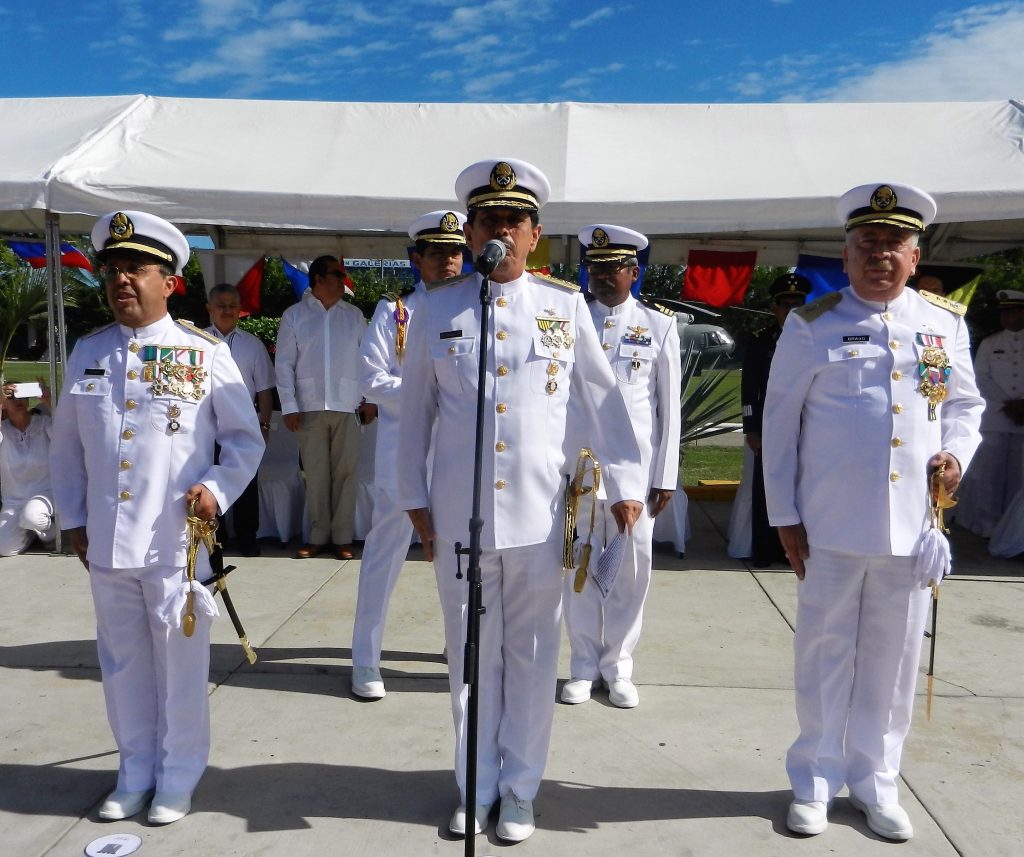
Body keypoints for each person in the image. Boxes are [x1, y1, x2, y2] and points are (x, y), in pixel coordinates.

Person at [397, 158, 644, 842]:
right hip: (459, 517)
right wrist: (413, 497)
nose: (501, 229)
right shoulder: (437, 308)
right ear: (471, 234)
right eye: (489, 219)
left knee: (534, 656)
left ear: (535, 234)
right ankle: (473, 785)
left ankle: (521, 787)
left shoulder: (564, 306)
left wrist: (625, 484)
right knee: (470, 658)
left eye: (514, 219)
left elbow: (604, 399)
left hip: (541, 520)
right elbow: (414, 412)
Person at [762, 183, 984, 841]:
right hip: (830, 522)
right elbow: (779, 426)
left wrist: (955, 456)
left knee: (892, 663)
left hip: (913, 525)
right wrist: (785, 514)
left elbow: (965, 407)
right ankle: (815, 778)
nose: (880, 254)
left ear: (915, 256)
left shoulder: (944, 322)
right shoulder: (812, 324)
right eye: (867, 244)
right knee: (824, 653)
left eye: (893, 244)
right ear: (846, 253)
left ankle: (876, 781)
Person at [50, 211, 264, 825]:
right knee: (121, 665)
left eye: (137, 269)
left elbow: (244, 441)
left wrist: (216, 491)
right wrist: (72, 519)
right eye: (113, 270)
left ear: (168, 281)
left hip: (177, 542)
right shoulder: (89, 353)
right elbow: (66, 446)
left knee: (178, 665)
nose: (122, 280)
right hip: (106, 542)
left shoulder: (202, 352)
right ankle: (135, 768)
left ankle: (177, 774)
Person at [560, 224, 681, 709]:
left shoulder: (659, 325)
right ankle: (582, 664)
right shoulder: (568, 320)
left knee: (632, 570)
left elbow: (668, 407)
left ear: (634, 272)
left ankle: (618, 665)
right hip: (580, 468)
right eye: (595, 268)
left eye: (613, 268)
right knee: (578, 566)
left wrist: (665, 475)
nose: (602, 277)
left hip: (634, 473)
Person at [350, 210, 467, 699]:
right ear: (417, 259)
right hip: (403, 454)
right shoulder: (394, 312)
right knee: (384, 556)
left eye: (455, 252)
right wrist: (430, 389)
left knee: (459, 558)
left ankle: (459, 650)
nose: (447, 261)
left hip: (458, 455)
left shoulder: (475, 310)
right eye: (436, 252)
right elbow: (370, 381)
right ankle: (365, 661)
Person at [275, 255, 370, 559]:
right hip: (308, 405)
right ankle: (317, 535)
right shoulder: (294, 315)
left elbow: (367, 361)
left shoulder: (354, 315)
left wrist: (370, 400)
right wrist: (289, 405)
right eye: (337, 274)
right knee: (315, 474)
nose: (344, 280)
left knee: (346, 472)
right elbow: (284, 364)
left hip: (349, 404)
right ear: (318, 278)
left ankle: (342, 537)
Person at [740, 273, 810, 568]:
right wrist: (751, 429)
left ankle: (799, 549)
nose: (791, 310)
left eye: (798, 305)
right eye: (786, 305)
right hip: (771, 429)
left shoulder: (815, 338)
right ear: (775, 308)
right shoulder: (761, 342)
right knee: (767, 488)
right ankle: (765, 550)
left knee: (804, 489)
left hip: (808, 428)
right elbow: (749, 389)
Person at [205, 283, 275, 556]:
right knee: (208, 480)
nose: (227, 311)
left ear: (240, 310)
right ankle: (215, 540)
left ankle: (248, 536)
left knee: (246, 483)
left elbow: (265, 389)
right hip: (205, 428)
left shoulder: (252, 345)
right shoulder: (197, 342)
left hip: (243, 426)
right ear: (209, 308)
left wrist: (265, 424)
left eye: (232, 306)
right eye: (221, 305)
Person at [952, 289, 1024, 537]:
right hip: (996, 416)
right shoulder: (991, 343)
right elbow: (980, 378)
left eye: (1013, 311)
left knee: (1019, 477)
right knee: (989, 476)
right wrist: (1007, 403)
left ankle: (1013, 531)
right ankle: (987, 524)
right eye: (1004, 312)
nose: (1007, 317)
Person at [0, 382, 55, 556]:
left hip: (47, 492)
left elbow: (66, 435)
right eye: (10, 397)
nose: (17, 400)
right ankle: (31, 531)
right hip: (13, 502)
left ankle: (50, 535)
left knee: (32, 516)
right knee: (5, 548)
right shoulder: (3, 431)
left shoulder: (43, 423)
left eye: (21, 395)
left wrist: (50, 402)